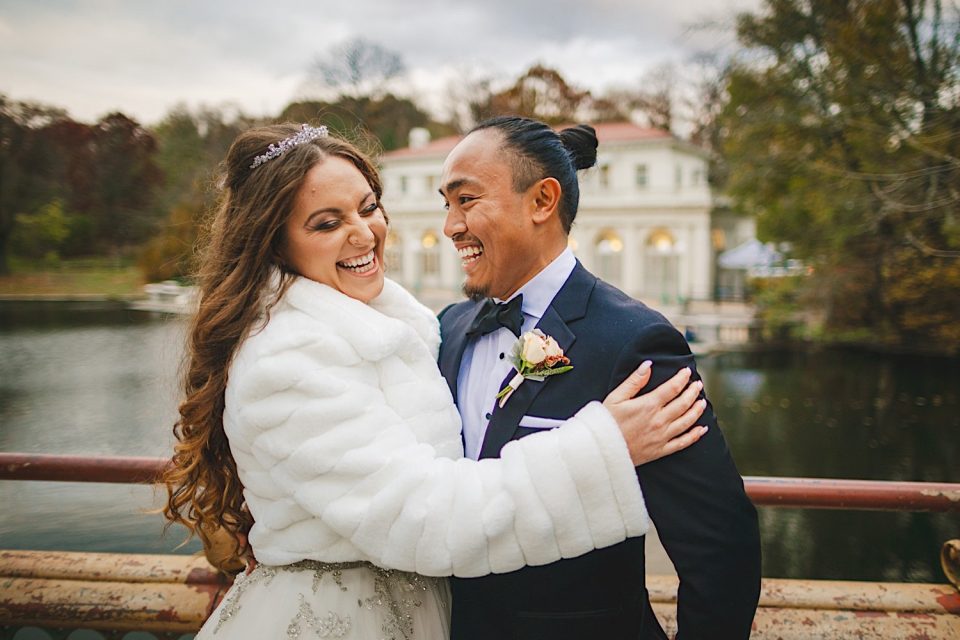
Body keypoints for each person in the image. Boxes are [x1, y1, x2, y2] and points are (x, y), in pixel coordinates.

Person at [162, 122, 708, 639]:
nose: (363, 233)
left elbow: (712, 537)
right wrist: (602, 448)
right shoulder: (287, 358)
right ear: (274, 243)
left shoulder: (412, 327)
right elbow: (426, 514)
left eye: (368, 207)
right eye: (326, 224)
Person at [437, 116, 762, 640]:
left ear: (543, 201)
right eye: (445, 204)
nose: (450, 226)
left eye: (466, 200)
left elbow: (721, 547)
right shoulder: (447, 330)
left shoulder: (636, 342)